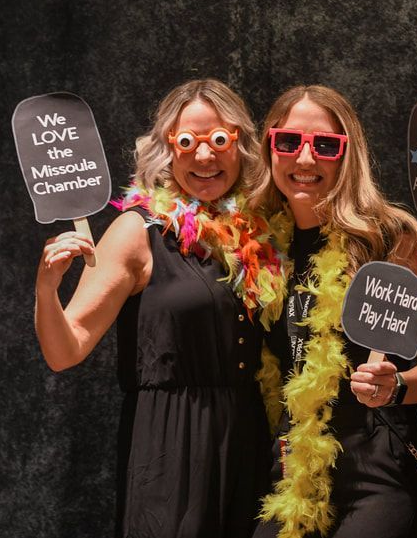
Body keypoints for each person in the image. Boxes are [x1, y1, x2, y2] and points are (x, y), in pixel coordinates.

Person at [35, 79, 291, 538]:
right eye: (187, 142)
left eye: (219, 140)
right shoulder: (136, 232)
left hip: (249, 439)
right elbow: (65, 350)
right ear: (167, 150)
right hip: (171, 447)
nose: (205, 157)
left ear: (241, 147)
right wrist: (47, 288)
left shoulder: (259, 234)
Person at [248, 85, 417, 538]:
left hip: (378, 467)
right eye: (289, 142)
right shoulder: (260, 244)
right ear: (270, 146)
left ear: (348, 154)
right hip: (294, 470)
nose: (305, 160)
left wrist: (396, 386)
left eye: (325, 145)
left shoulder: (392, 239)